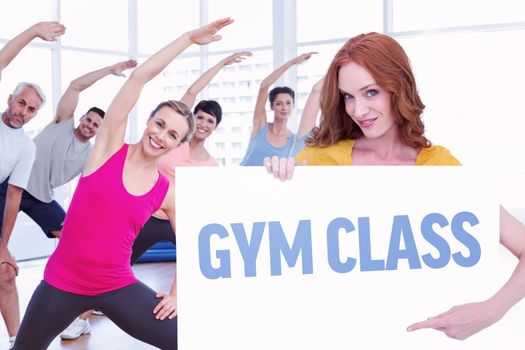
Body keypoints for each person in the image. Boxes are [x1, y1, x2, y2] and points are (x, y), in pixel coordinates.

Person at [264, 32, 525, 341]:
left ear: (397, 88)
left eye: (370, 92)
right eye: (348, 96)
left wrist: (491, 311)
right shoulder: (319, 161)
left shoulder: (437, 166)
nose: (358, 110)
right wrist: (272, 185)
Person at [12, 18, 232, 350]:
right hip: (61, 283)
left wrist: (177, 294)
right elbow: (140, 77)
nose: (161, 136)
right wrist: (186, 38)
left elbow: (192, 243)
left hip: (116, 286)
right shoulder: (107, 149)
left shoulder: (166, 191)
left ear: (178, 145)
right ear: (148, 121)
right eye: (159, 124)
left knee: (186, 339)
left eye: (172, 134)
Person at [5, 59, 139, 341]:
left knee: (76, 238)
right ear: (80, 119)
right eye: (88, 120)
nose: (90, 126)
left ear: (99, 131)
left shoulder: (91, 155)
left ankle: (81, 308)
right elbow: (76, 85)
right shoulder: (61, 123)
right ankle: (17, 336)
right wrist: (108, 70)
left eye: (96, 126)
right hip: (10, 187)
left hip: (41, 197)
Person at [130, 51, 252, 267]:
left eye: (210, 121)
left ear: (215, 127)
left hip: (176, 220)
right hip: (147, 214)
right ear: (192, 119)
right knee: (120, 259)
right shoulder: (173, 141)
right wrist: (222, 63)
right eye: (200, 117)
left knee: (201, 259)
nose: (204, 124)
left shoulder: (212, 165)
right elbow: (192, 91)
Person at [0, 21, 66, 350]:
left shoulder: (26, 147)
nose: (23, 112)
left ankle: (18, 342)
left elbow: (13, 197)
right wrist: (32, 32)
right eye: (21, 104)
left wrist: (4, 246)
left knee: (5, 272)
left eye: (31, 110)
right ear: (10, 98)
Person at [240, 51, 318, 165]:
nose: (284, 108)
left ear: (293, 106)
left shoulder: (293, 141)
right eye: (278, 103)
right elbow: (264, 86)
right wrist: (292, 63)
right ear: (272, 106)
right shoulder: (260, 126)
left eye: (288, 103)